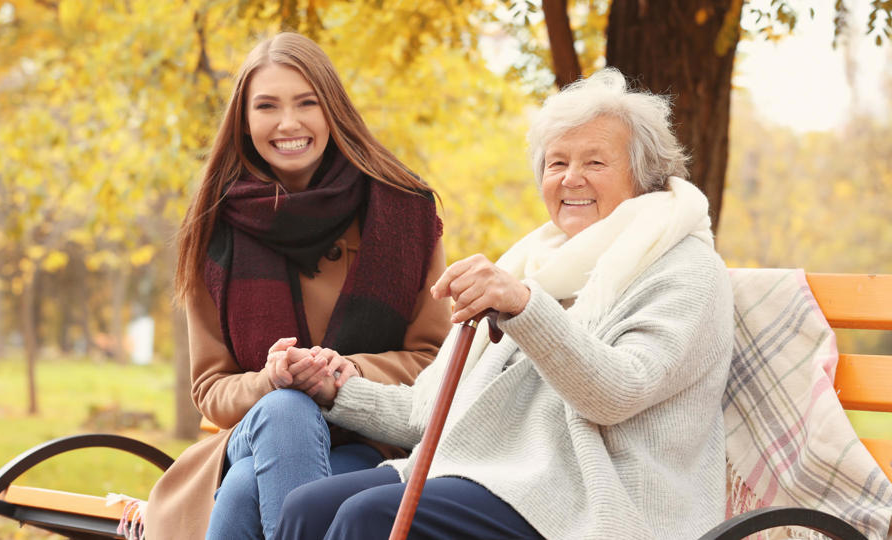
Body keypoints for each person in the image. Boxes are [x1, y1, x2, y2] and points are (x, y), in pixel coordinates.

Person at [273, 67, 735, 539]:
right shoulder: (543, 262)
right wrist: (336, 388)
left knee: (368, 517)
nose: (571, 178)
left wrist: (523, 307)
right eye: (556, 164)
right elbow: (435, 411)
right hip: (501, 475)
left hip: (600, 500)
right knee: (309, 507)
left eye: (595, 163)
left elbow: (617, 393)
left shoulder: (684, 268)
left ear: (645, 176)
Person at [143, 32, 451, 540]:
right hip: (255, 430)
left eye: (307, 103)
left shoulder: (403, 211)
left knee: (245, 489)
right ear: (244, 121)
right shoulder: (215, 225)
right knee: (286, 408)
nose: (288, 123)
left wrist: (346, 371)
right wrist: (268, 381)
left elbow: (435, 360)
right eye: (267, 106)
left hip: (371, 443)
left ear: (333, 110)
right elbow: (211, 389)